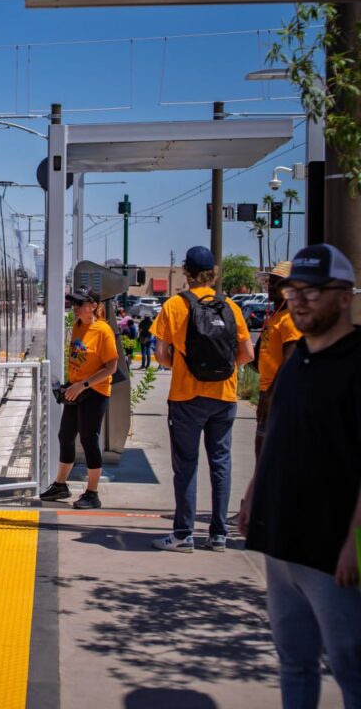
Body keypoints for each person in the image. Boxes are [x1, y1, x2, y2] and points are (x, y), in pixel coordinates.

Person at [239, 244, 360, 708]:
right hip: (282, 541)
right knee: (293, 661)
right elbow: (278, 437)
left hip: (335, 551)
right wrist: (253, 495)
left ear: (345, 296)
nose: (300, 301)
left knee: (351, 666)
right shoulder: (297, 364)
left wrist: (357, 543)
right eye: (294, 292)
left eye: (314, 291)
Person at [151, 246, 254, 553]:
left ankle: (183, 534)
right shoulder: (230, 306)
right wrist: (222, 370)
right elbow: (248, 353)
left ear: (186, 271)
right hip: (224, 395)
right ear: (214, 273)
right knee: (221, 462)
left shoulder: (174, 305)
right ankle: (219, 535)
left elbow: (161, 355)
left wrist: (188, 368)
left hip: (186, 397)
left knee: (186, 465)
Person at [39, 287, 119, 510]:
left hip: (95, 391)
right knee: (65, 436)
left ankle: (92, 493)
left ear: (93, 306)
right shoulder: (78, 326)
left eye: (80, 303)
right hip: (76, 390)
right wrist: (69, 384)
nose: (75, 307)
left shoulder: (103, 331)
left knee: (88, 439)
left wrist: (83, 385)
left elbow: (111, 367)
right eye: (73, 303)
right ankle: (60, 485)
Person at [251, 260, 301, 462]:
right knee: (263, 454)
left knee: (268, 457)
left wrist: (269, 396)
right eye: (270, 282)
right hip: (269, 392)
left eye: (277, 283)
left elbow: (289, 361)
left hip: (280, 396)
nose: (270, 287)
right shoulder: (276, 316)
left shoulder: (290, 319)